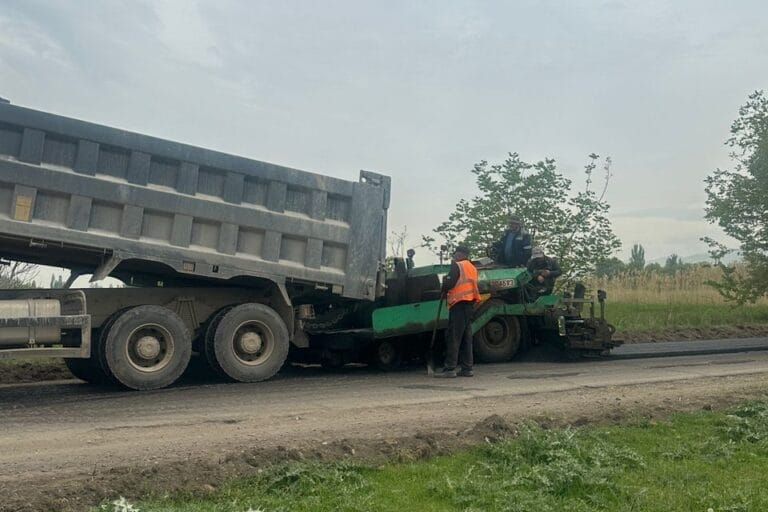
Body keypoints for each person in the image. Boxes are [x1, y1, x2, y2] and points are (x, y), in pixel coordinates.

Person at [436, 245, 481, 378]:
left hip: (459, 304)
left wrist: (444, 285)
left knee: (454, 336)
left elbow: (450, 282)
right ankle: (467, 368)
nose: (454, 256)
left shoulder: (458, 266)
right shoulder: (472, 267)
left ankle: (450, 368)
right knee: (466, 337)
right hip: (469, 304)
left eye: (456, 253)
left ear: (461, 254)